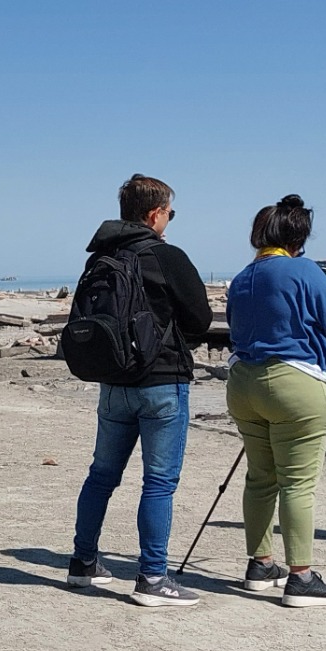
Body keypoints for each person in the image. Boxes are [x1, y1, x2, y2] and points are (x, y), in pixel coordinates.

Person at [67, 174, 213, 606]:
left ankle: (83, 562)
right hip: (162, 382)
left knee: (101, 475)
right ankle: (152, 577)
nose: (170, 219)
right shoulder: (166, 256)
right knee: (159, 483)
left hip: (113, 381)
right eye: (170, 212)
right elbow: (200, 320)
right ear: (155, 214)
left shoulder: (100, 257)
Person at [223, 196, 326, 608]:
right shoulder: (302, 270)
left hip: (243, 381)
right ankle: (301, 576)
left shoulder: (244, 276)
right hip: (295, 381)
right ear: (299, 236)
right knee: (297, 483)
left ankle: (260, 564)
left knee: (260, 478)